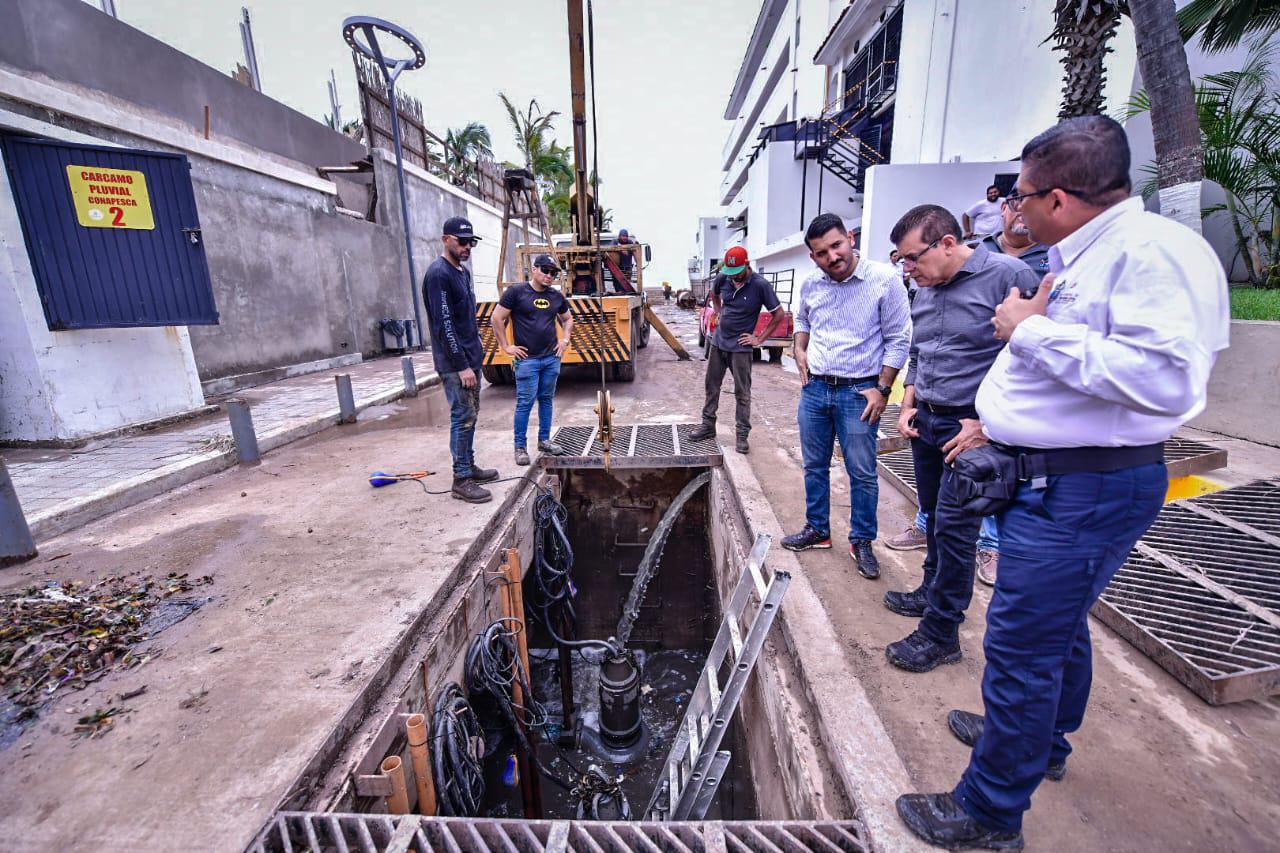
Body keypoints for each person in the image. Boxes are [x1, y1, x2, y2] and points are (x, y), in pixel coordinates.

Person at [896, 115, 1229, 850]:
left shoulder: (1149, 255)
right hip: (1054, 479)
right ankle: (1039, 741)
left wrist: (1027, 328)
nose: (1009, 212)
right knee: (1056, 629)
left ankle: (987, 811)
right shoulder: (1091, 254)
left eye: (1019, 196)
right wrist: (999, 417)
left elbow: (1167, 380)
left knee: (1020, 645)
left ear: (1061, 196)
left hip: (1083, 488)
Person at [882, 205, 1039, 675]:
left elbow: (1035, 361)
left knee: (955, 530)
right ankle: (930, 592)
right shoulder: (924, 288)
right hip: (927, 421)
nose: (907, 269)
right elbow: (919, 350)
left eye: (912, 258)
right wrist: (909, 402)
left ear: (948, 243)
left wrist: (986, 426)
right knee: (933, 518)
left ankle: (942, 631)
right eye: (901, 260)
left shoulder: (1009, 276)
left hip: (970, 435)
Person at [780, 213, 911, 580]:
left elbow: (900, 338)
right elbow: (802, 320)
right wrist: (800, 348)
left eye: (836, 246)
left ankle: (862, 541)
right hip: (815, 389)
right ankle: (818, 530)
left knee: (862, 472)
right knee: (814, 465)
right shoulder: (811, 284)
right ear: (813, 257)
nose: (832, 257)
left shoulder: (885, 280)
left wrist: (883, 389)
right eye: (821, 253)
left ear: (849, 238)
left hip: (860, 392)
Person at [423, 216, 500, 504]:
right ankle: (461, 478)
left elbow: (464, 315)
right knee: (462, 416)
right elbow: (443, 324)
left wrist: (477, 343)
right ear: (446, 240)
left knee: (471, 414)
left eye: (472, 242)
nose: (467, 247)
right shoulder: (439, 275)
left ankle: (469, 465)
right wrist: (461, 365)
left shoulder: (462, 272)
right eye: (462, 241)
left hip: (470, 356)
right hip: (457, 364)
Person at [689, 246, 786, 454]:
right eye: (730, 273)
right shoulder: (723, 277)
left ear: (747, 265)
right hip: (718, 342)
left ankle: (742, 435)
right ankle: (708, 426)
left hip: (741, 348)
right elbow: (714, 294)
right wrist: (718, 311)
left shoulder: (760, 285)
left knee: (742, 393)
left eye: (737, 273)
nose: (733, 278)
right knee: (711, 386)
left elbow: (778, 314)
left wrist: (759, 339)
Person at [490, 254, 574, 466]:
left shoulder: (556, 296)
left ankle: (544, 440)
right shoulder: (516, 293)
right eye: (545, 270)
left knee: (546, 399)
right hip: (527, 360)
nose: (549, 276)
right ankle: (520, 447)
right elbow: (497, 318)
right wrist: (507, 347)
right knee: (525, 403)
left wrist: (564, 340)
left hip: (551, 359)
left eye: (553, 273)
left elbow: (568, 318)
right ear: (534, 269)